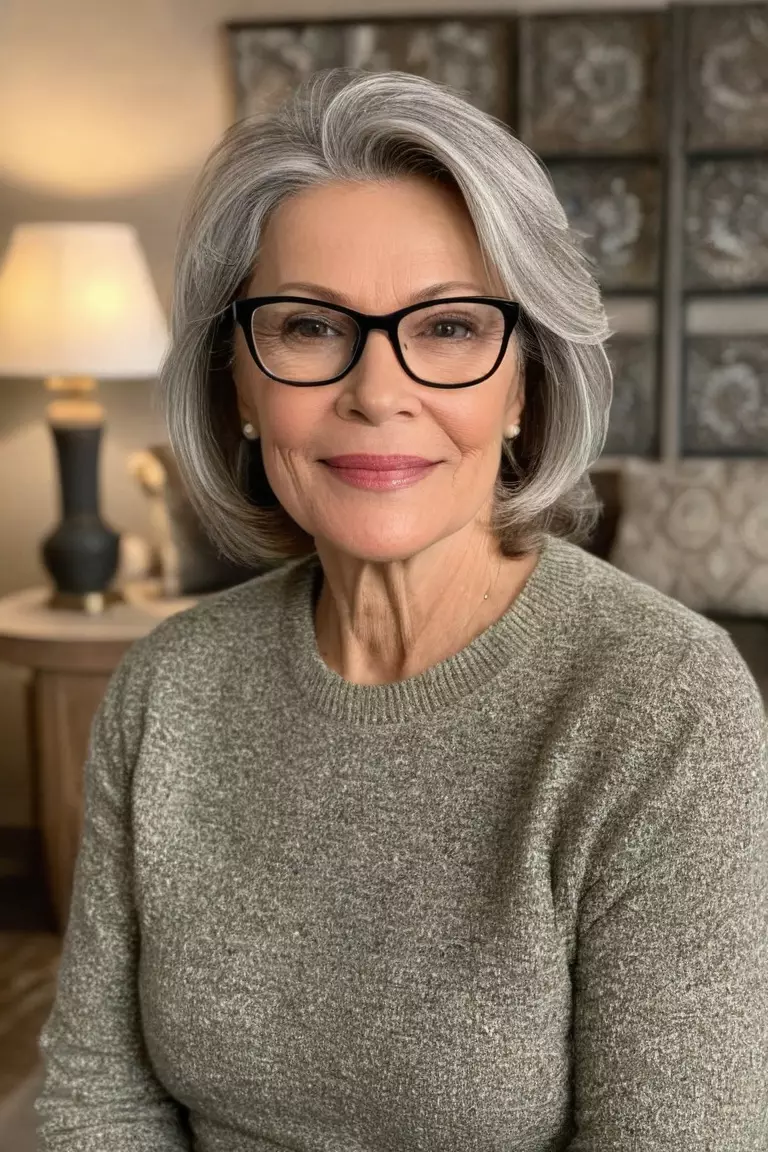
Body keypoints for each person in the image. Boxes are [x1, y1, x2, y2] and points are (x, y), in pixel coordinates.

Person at [34, 67, 767, 1151]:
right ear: (238, 382)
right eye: (308, 327)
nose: (378, 391)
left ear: (524, 384)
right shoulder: (168, 686)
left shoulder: (663, 706)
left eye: (452, 329)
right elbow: (98, 1095)